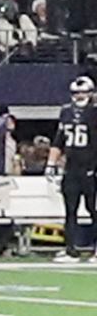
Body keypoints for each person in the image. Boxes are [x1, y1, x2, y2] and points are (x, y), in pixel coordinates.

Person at [59, 76, 97, 261]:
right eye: (76, 92)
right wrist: (51, 163)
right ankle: (70, 249)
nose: (79, 96)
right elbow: (59, 140)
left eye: (83, 92)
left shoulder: (94, 112)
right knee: (70, 211)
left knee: (93, 209)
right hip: (71, 169)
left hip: (91, 168)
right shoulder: (66, 112)